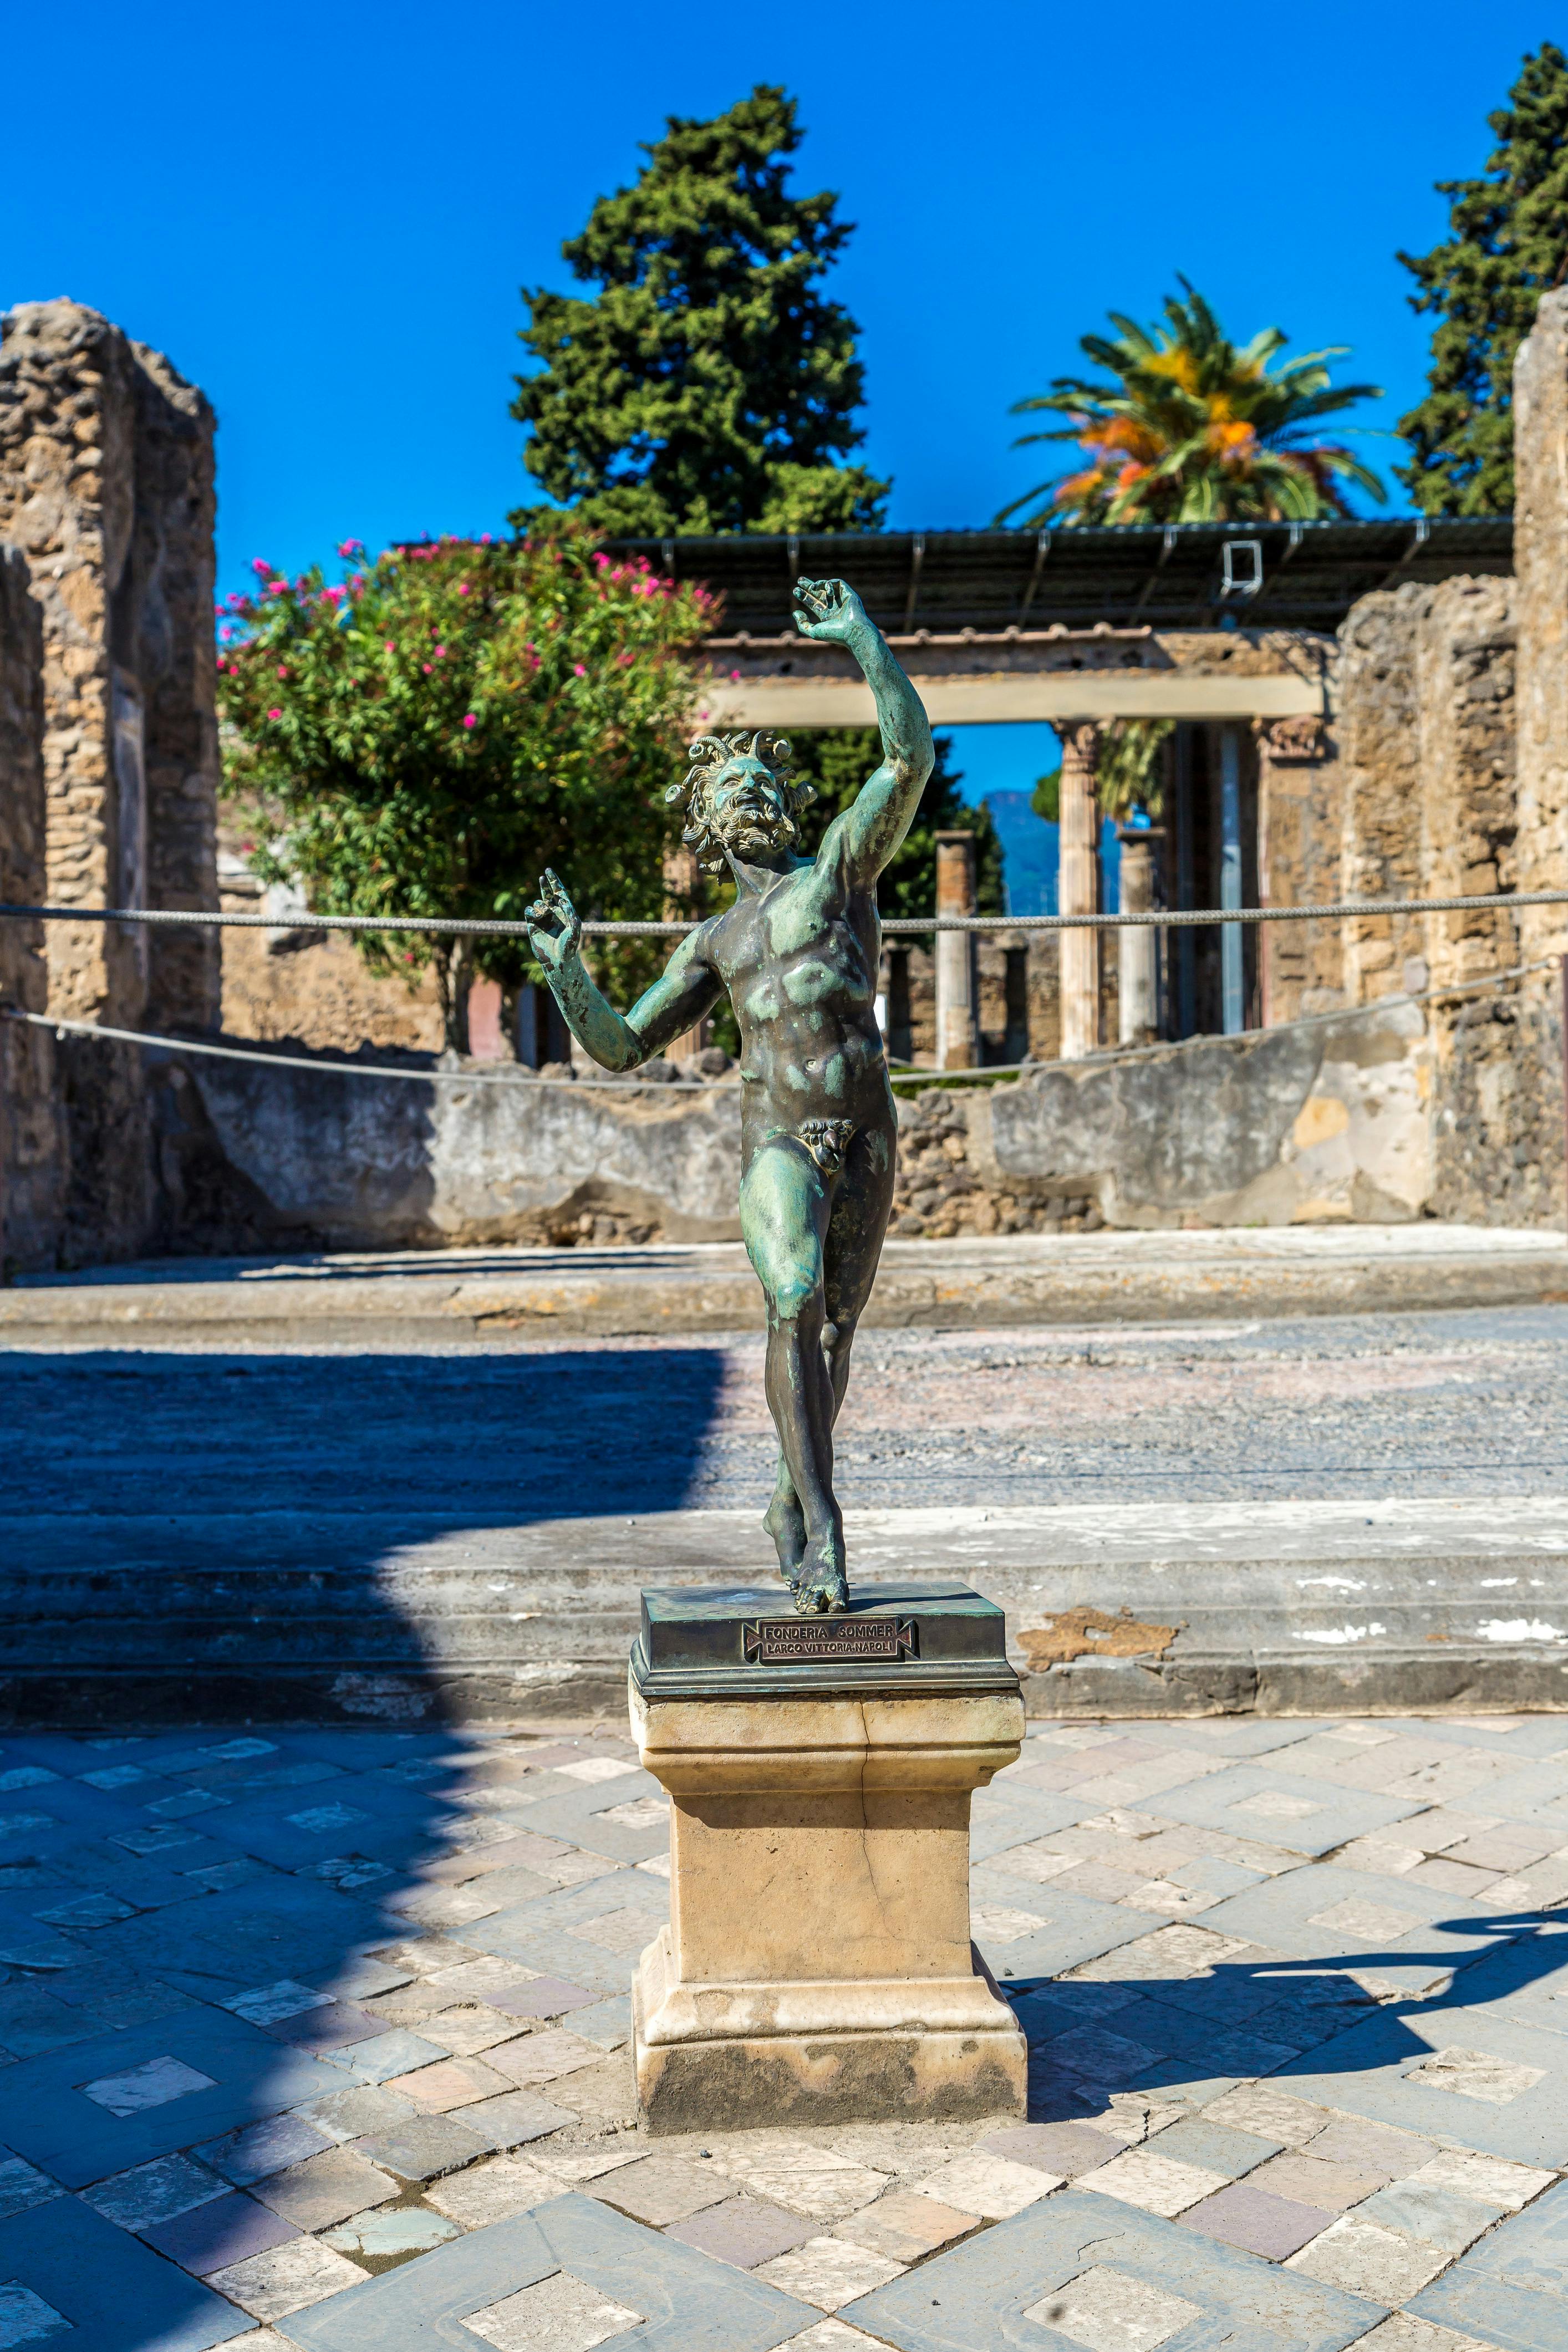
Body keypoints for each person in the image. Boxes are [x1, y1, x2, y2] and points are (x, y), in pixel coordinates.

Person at [525, 576, 934, 1612]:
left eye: (761, 782)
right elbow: (621, 1046)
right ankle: (827, 1530)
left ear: (787, 805)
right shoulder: (713, 941)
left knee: (837, 1332)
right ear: (709, 827)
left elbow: (906, 758)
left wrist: (862, 637)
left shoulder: (837, 875)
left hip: (870, 1128)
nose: (747, 792)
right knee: (792, 1300)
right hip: (780, 1145)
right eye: (728, 789)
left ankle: (792, 1500)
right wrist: (568, 968)